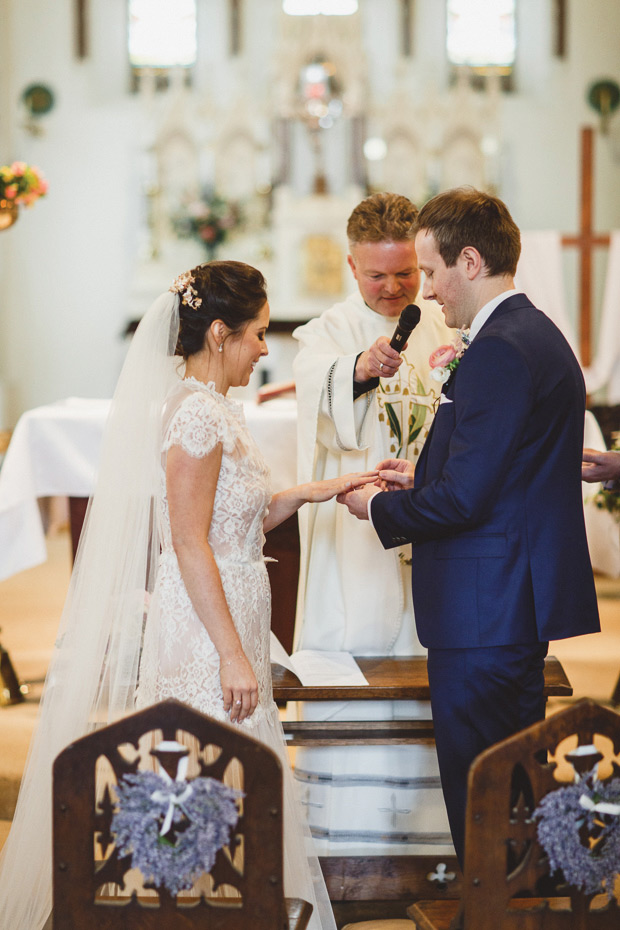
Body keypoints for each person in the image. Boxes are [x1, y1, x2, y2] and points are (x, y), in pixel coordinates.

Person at [0, 261, 376, 930]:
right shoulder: (198, 418)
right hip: (208, 628)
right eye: (258, 334)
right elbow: (189, 541)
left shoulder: (212, 408)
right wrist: (233, 653)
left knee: (227, 770)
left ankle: (227, 902)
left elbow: (238, 519)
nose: (266, 348)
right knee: (209, 767)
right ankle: (206, 905)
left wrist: (313, 490)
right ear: (221, 334)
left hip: (227, 607)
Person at [338, 187, 601, 867]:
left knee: (483, 781)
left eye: (429, 272)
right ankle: (508, 899)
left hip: (485, 607)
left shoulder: (500, 350)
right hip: (507, 598)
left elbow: (465, 503)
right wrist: (420, 478)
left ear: (472, 260)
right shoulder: (531, 335)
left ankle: (493, 904)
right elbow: (502, 474)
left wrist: (376, 507)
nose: (424, 291)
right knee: (512, 779)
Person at [291, 193, 454, 858]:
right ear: (351, 265)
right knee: (360, 646)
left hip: (436, 516)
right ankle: (349, 841)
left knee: (424, 656)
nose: (392, 288)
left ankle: (426, 841)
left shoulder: (445, 323)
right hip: (357, 530)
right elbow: (313, 398)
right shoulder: (327, 330)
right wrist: (358, 371)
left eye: (406, 274)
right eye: (377, 275)